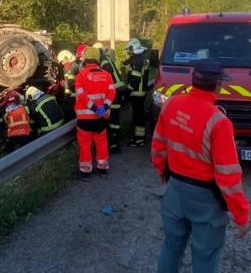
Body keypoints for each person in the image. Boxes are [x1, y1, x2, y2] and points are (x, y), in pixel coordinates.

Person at [151, 59, 249, 272]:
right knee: (205, 257)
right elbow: (228, 176)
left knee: (171, 248)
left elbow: (158, 146)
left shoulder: (171, 104)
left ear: (193, 81)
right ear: (218, 85)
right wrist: (241, 214)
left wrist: (162, 174)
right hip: (206, 201)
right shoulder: (219, 121)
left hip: (175, 190)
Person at [74, 47, 116, 180]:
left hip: (85, 118)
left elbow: (81, 96)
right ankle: (102, 168)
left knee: (85, 144)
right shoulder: (107, 74)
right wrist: (104, 106)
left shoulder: (81, 76)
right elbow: (112, 92)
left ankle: (86, 171)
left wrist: (93, 108)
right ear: (98, 59)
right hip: (101, 117)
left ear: (85, 59)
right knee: (102, 142)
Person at [93, 42, 127, 153]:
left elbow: (107, 74)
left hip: (115, 91)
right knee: (114, 118)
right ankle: (114, 142)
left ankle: (113, 145)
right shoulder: (106, 58)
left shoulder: (103, 61)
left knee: (113, 118)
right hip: (118, 90)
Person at [123, 38, 151, 147]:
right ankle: (138, 137)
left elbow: (134, 79)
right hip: (141, 92)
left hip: (136, 93)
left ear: (132, 49)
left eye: (129, 50)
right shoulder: (142, 59)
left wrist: (126, 91)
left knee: (138, 116)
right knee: (139, 115)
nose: (128, 52)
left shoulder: (136, 61)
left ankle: (139, 139)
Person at [57, 49, 77, 121]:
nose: (62, 63)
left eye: (62, 61)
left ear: (66, 58)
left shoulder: (72, 67)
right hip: (71, 95)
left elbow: (70, 84)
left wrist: (65, 97)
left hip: (73, 96)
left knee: (68, 112)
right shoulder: (69, 66)